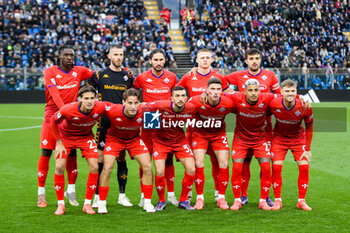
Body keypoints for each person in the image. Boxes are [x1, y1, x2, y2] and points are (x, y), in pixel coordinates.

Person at [37, 44, 94, 208]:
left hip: (71, 117)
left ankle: (71, 190)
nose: (70, 57)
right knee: (46, 152)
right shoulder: (50, 72)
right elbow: (54, 94)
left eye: (72, 55)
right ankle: (41, 192)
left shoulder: (80, 71)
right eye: (67, 55)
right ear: (59, 56)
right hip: (53, 116)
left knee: (71, 153)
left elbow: (98, 75)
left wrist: (125, 71)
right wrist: (65, 111)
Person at [224, 48, 281, 207]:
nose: (254, 61)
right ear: (246, 60)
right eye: (251, 58)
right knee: (244, 162)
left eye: (257, 58)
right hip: (244, 123)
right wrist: (229, 90)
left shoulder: (269, 75)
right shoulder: (238, 75)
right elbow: (221, 80)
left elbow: (278, 97)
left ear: (260, 59)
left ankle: (266, 196)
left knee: (265, 163)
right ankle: (243, 195)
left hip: (265, 126)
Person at [179, 48, 233, 202]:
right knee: (192, 162)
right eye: (202, 57)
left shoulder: (219, 77)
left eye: (207, 58)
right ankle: (189, 194)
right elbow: (179, 95)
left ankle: (218, 194)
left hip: (216, 126)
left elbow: (230, 95)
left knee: (218, 161)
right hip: (195, 128)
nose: (204, 60)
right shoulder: (188, 77)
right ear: (197, 60)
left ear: (211, 60)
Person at [51, 85, 110, 215]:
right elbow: (53, 120)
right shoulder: (68, 109)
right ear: (80, 99)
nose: (89, 101)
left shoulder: (100, 107)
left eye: (92, 98)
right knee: (59, 167)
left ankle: (87, 204)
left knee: (95, 167)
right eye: (86, 98)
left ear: (96, 98)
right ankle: (60, 204)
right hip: (66, 137)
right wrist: (59, 142)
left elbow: (117, 109)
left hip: (85, 137)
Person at [88, 44, 134, 208]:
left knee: (121, 159)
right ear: (109, 56)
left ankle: (122, 195)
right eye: (115, 54)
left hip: (122, 124)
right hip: (104, 123)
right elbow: (87, 91)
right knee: (100, 160)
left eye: (121, 54)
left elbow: (132, 98)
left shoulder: (127, 77)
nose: (118, 57)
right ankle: (97, 196)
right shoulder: (99, 75)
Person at [97, 88, 155, 214]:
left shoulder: (146, 111)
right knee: (107, 168)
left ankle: (147, 202)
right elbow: (94, 106)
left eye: (136, 103)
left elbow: (154, 128)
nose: (133, 107)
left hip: (134, 140)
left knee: (148, 167)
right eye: (130, 103)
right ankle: (101, 203)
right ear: (123, 102)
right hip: (114, 140)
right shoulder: (113, 110)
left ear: (140, 102)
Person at [134, 48, 179, 207]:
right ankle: (142, 195)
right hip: (149, 120)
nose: (159, 63)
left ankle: (171, 195)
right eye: (156, 60)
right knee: (145, 159)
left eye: (161, 60)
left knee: (168, 159)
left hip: (167, 121)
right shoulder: (142, 78)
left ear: (164, 61)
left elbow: (177, 96)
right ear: (150, 61)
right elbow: (133, 93)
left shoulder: (172, 78)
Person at [226, 79, 275, 211]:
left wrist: (300, 97)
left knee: (266, 168)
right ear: (244, 92)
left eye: (256, 90)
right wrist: (203, 94)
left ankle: (263, 200)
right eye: (250, 90)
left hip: (260, 139)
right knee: (237, 168)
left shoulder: (267, 98)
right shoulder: (236, 97)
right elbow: (219, 94)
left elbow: (285, 96)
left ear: (260, 91)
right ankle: (237, 200)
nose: (253, 93)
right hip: (240, 140)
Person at [147, 86, 196, 211]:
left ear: (186, 98)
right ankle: (161, 201)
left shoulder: (191, 108)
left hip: (180, 141)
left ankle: (184, 200)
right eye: (177, 96)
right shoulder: (160, 105)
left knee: (191, 169)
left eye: (182, 96)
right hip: (161, 142)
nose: (180, 99)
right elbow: (144, 106)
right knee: (159, 172)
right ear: (172, 98)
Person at [188, 78, 233, 210]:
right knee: (198, 163)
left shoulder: (228, 102)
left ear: (221, 91)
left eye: (218, 89)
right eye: (212, 89)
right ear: (206, 90)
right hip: (200, 134)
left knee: (224, 163)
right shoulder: (196, 101)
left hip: (218, 135)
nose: (215, 92)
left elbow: (243, 107)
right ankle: (200, 198)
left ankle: (221, 198)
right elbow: (181, 109)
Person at [269, 79, 313, 211]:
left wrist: (308, 149)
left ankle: (301, 201)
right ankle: (278, 200)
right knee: (276, 168)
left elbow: (309, 128)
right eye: (287, 91)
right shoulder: (274, 103)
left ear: (296, 92)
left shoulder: (304, 106)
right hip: (279, 139)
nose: (290, 93)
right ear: (281, 92)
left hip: (298, 139)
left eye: (293, 91)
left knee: (304, 167)